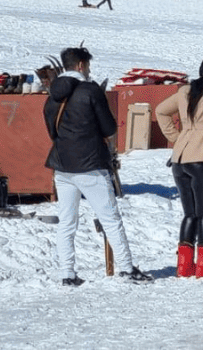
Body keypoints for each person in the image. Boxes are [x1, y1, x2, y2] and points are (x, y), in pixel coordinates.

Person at [44, 47, 153, 286]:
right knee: (110, 219)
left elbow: (51, 130)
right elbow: (109, 128)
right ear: (81, 65)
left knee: (67, 222)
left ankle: (67, 274)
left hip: (62, 165)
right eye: (88, 65)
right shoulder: (90, 90)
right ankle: (126, 268)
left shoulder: (53, 93)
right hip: (91, 165)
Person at [155, 56, 203, 279]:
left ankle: (184, 265)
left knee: (190, 214)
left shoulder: (185, 91)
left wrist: (178, 137)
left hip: (180, 157)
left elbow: (161, 111)